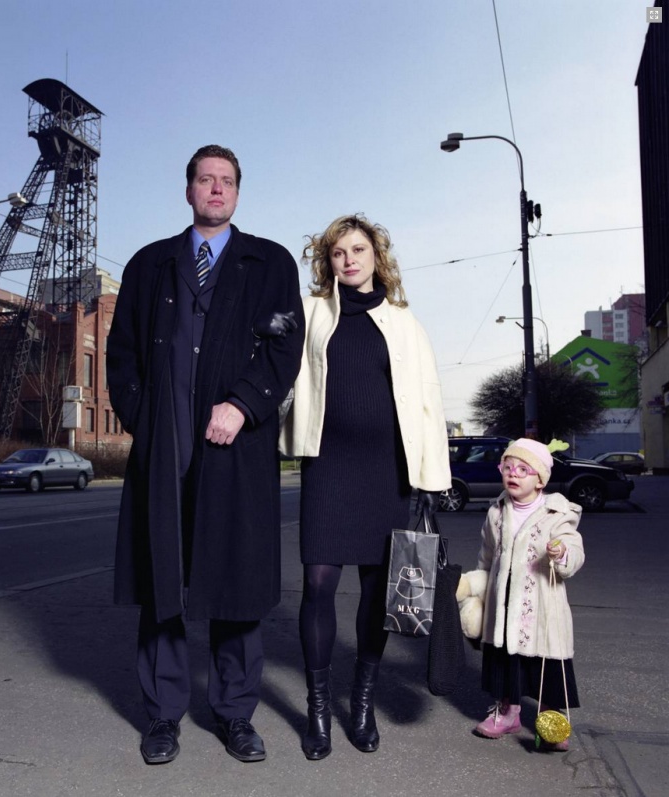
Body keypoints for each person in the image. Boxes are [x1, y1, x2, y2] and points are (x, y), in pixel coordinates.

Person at [107, 145, 304, 765]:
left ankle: (235, 714)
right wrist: (144, 419)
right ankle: (162, 715)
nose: (216, 189)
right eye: (205, 179)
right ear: (188, 189)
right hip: (164, 443)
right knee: (162, 578)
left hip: (236, 446)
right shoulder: (149, 264)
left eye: (226, 181)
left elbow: (285, 348)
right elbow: (121, 355)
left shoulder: (270, 263)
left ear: (238, 193)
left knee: (235, 580)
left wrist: (243, 405)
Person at [279, 214, 451, 760]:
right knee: (318, 585)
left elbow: (428, 402)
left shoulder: (404, 322)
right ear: (327, 262)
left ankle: (361, 703)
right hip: (327, 466)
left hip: (387, 471)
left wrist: (430, 479)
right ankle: (318, 711)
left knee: (378, 594)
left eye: (358, 249)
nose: (349, 259)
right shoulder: (309, 312)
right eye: (338, 252)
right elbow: (281, 374)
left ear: (377, 256)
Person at [456, 438, 585, 751]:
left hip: (542, 609)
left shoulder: (557, 512)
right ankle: (507, 712)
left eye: (523, 469)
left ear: (540, 480)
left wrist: (562, 553)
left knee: (547, 668)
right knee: (506, 664)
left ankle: (552, 722)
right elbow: (487, 558)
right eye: (508, 467)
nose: (513, 474)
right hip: (503, 607)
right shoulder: (496, 513)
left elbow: (574, 548)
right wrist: (474, 588)